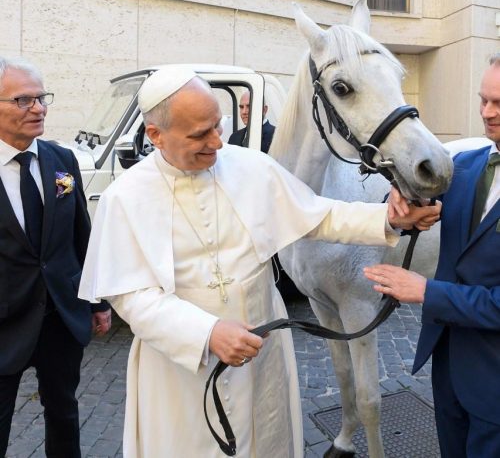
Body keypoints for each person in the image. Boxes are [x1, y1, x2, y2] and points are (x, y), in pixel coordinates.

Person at [78, 66, 440, 458]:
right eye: (199, 135)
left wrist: (389, 218)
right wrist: (206, 333)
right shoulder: (125, 197)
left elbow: (318, 215)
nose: (216, 142)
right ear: (156, 135)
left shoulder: (248, 165)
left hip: (261, 351)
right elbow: (132, 296)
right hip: (180, 366)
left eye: (218, 125)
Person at [364, 53, 500, 458]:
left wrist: (426, 291)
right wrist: (401, 197)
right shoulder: (465, 165)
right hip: (449, 368)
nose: (486, 113)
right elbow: (421, 198)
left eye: (499, 103)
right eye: (483, 100)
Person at [0, 56, 112, 457]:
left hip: (60, 318)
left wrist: (97, 302)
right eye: (23, 100)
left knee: (64, 414)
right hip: (4, 324)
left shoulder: (61, 161)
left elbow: (82, 233)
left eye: (41, 98)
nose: (38, 108)